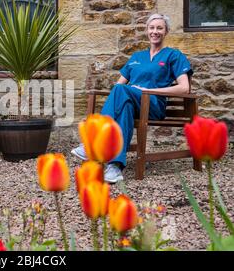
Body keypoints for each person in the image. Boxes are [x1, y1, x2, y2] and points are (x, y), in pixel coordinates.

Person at [71, 13, 193, 183]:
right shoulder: (136, 57)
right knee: (124, 104)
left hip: (153, 105)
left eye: (159, 28)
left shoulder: (173, 55)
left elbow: (184, 88)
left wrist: (148, 90)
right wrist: (131, 91)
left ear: (166, 32)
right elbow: (118, 85)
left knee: (122, 91)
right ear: (146, 31)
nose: (155, 31)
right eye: (152, 28)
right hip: (132, 104)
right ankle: (115, 168)